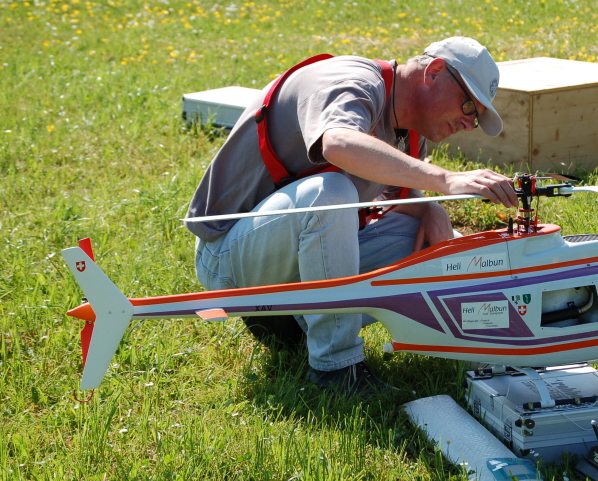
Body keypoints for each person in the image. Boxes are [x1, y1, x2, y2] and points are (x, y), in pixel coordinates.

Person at [185, 36, 517, 394]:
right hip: (227, 259)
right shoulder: (351, 80)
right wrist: (445, 180)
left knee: (431, 242)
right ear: (434, 72)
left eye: (477, 118)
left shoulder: (410, 127)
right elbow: (339, 143)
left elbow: (392, 181)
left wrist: (429, 207)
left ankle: (294, 323)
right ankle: (335, 371)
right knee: (329, 193)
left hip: (284, 257)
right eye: (469, 105)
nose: (469, 123)